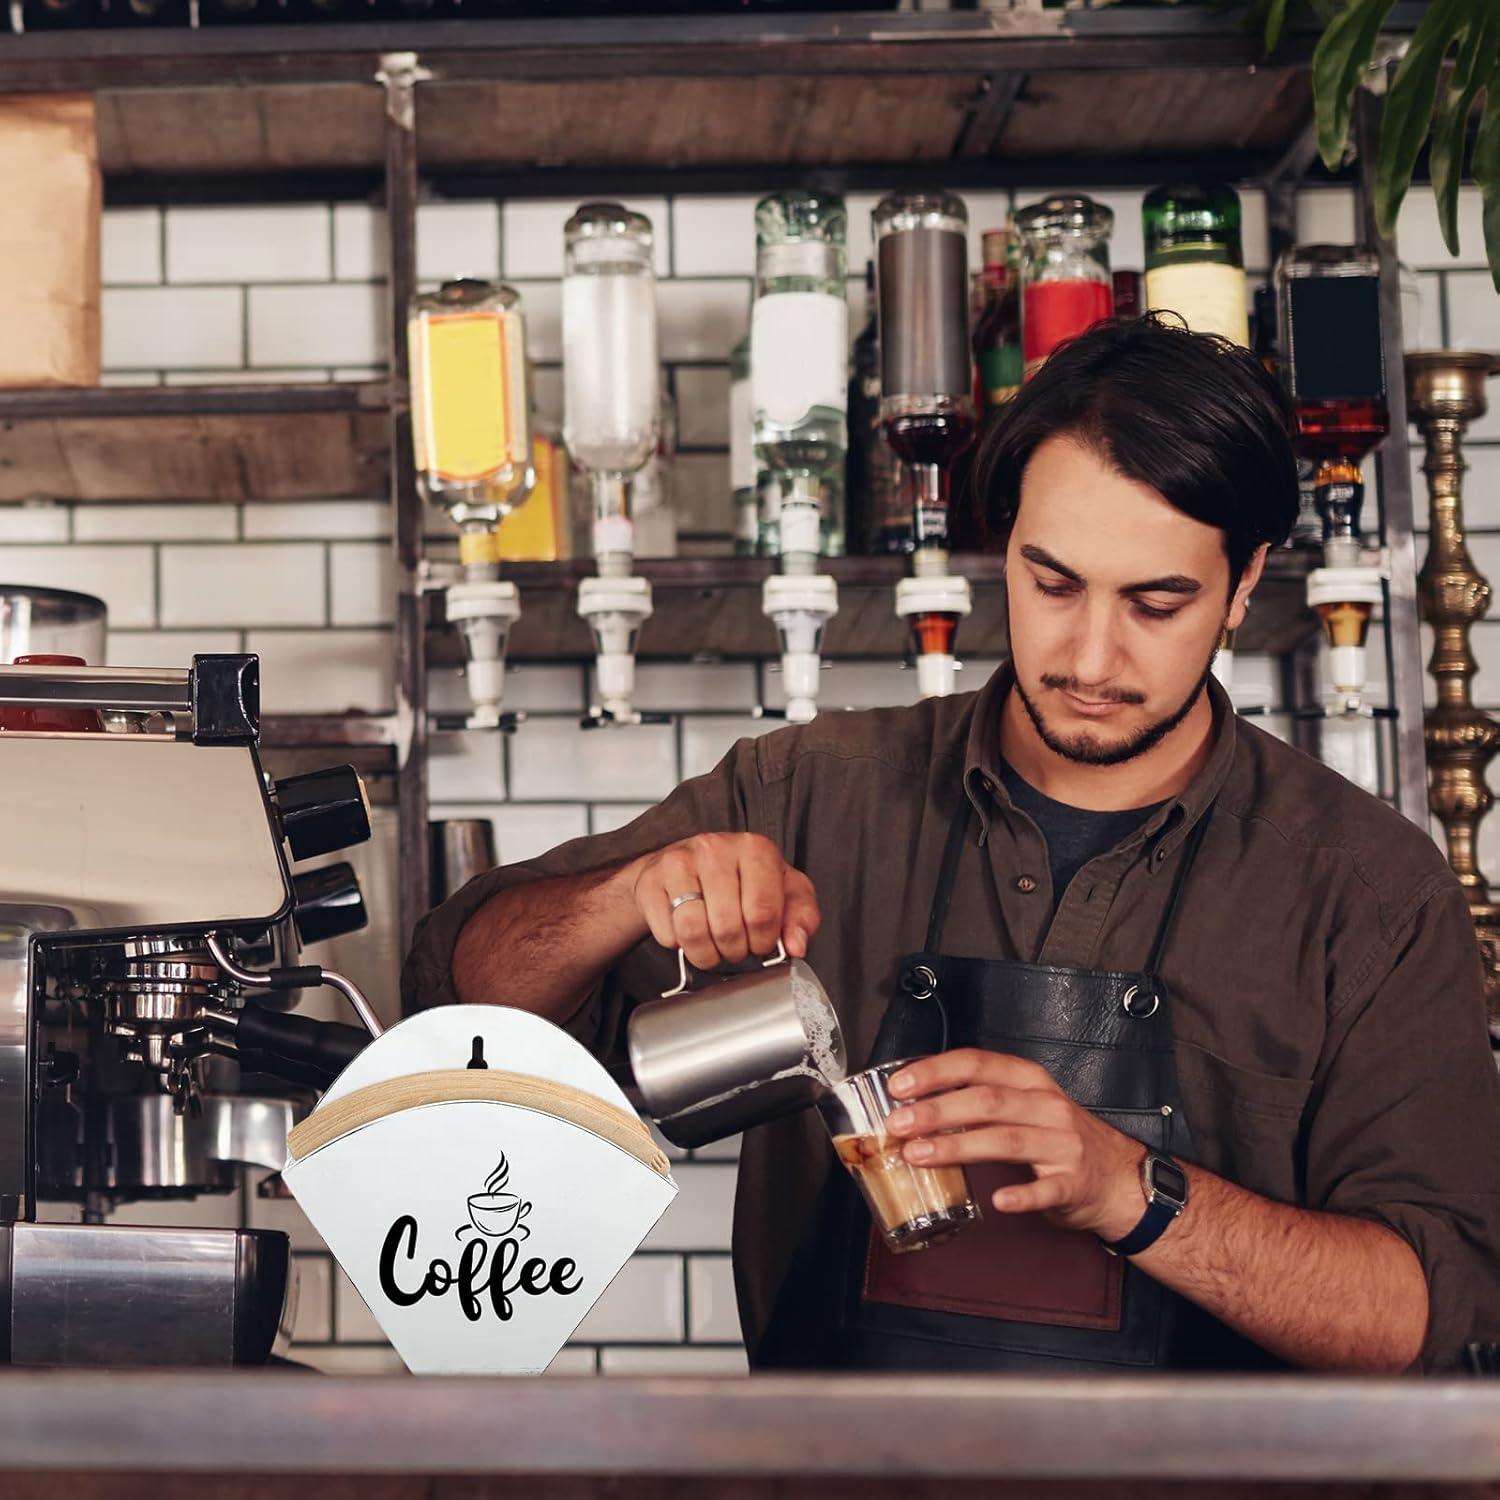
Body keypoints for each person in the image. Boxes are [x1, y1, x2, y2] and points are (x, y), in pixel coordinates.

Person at [403, 316, 1500, 1375]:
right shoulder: (810, 795)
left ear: (1245, 583)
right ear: (1002, 547)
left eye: (1157, 603)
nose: (1089, 653)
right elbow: (458, 1008)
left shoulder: (1366, 891)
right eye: (1052, 583)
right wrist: (624, 897)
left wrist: (1132, 1190)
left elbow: (1423, 1316)